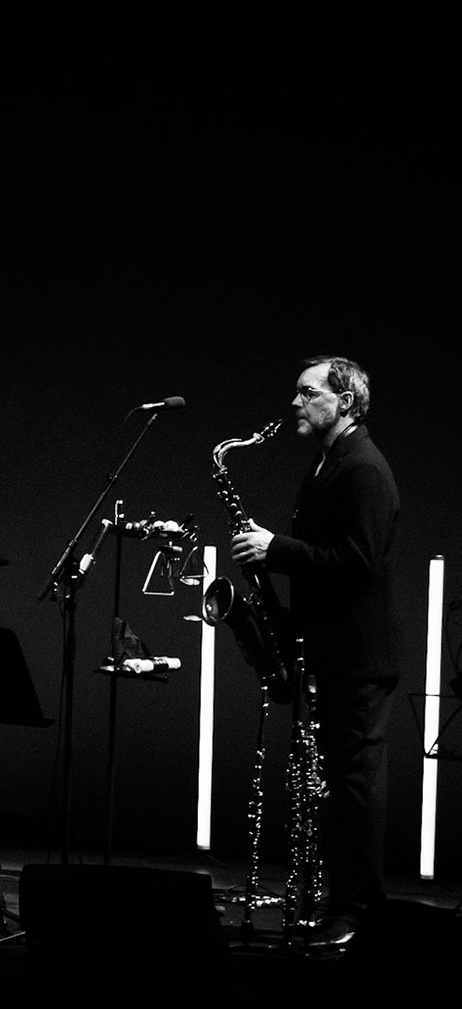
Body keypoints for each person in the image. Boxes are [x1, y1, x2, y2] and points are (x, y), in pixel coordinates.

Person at [231, 355, 400, 949]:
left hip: (357, 656)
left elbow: (357, 560)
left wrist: (277, 549)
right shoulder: (331, 462)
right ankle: (338, 902)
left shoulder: (364, 469)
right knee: (337, 785)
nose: (295, 403)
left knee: (355, 787)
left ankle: (357, 913)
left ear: (345, 402)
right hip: (332, 650)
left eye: (308, 393)